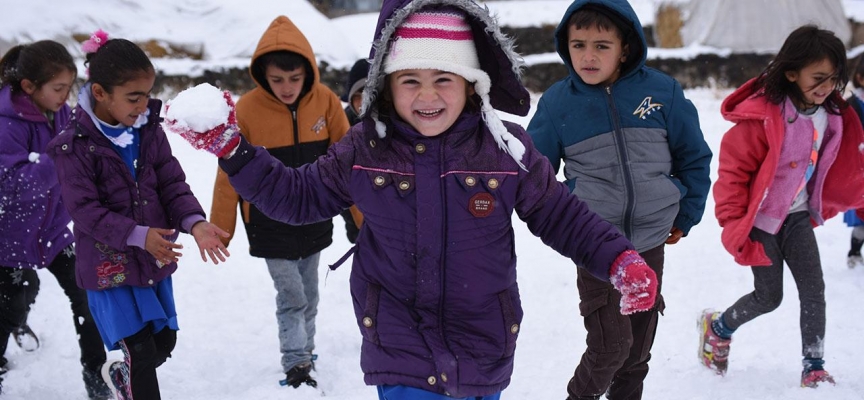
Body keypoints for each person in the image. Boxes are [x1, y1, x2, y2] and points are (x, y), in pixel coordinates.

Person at [167, 1, 659, 398]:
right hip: (396, 339)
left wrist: (617, 257)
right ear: (386, 85)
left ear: (471, 86)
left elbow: (561, 215)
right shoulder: (364, 148)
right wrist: (234, 150)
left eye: (443, 78)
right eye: (410, 80)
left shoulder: (504, 148)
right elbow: (298, 197)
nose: (428, 95)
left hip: (483, 338)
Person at [526, 1, 712, 398]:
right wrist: (570, 216)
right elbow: (535, 175)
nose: (588, 56)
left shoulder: (662, 92)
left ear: (624, 47)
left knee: (637, 353)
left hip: (650, 242)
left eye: (601, 45)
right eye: (578, 45)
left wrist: (686, 211)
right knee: (611, 347)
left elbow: (694, 157)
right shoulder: (558, 103)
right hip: (595, 246)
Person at [45, 31, 230, 400]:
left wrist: (195, 223)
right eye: (134, 97)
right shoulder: (74, 145)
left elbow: (172, 183)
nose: (144, 105)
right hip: (108, 266)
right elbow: (84, 211)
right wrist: (137, 234)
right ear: (100, 93)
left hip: (151, 260)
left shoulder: (148, 131)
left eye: (147, 94)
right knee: (141, 353)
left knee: (164, 341)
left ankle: (122, 375)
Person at [699, 25, 864, 388]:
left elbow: (845, 162)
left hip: (797, 216)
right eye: (818, 78)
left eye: (833, 79)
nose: (825, 87)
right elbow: (733, 170)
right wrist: (731, 221)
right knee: (769, 296)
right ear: (792, 72)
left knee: (814, 290)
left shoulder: (832, 116)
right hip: (761, 222)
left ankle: (813, 365)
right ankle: (719, 326)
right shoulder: (764, 117)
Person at [208, 15, 361, 389]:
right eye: (277, 80)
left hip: (314, 219)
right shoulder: (246, 109)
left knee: (309, 292)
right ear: (263, 75)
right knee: (291, 294)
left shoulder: (325, 101)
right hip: (267, 221)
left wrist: (359, 220)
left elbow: (348, 163)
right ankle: (296, 363)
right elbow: (228, 173)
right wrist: (220, 229)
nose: (287, 87)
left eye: (294, 79)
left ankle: (305, 350)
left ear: (308, 72)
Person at [0, 40, 112, 399]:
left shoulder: (62, 112)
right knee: (15, 297)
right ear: (29, 86)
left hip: (53, 232)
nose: (66, 96)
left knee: (88, 297)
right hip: (9, 237)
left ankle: (98, 384)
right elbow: (13, 187)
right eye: (59, 88)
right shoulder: (5, 125)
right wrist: (59, 158)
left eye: (69, 87)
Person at [339, 58, 371, 243]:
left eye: (370, 92)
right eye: (358, 94)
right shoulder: (341, 124)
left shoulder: (397, 124)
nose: (364, 100)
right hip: (356, 216)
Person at [842, 55, 864, 269]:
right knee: (863, 217)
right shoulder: (853, 106)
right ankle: (855, 251)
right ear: (860, 78)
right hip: (860, 169)